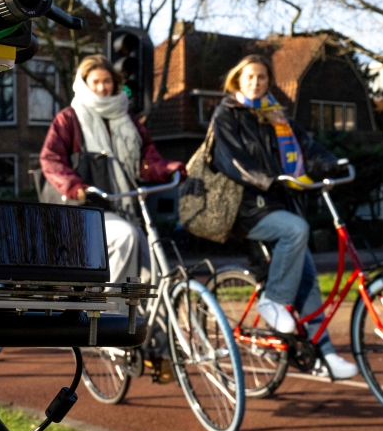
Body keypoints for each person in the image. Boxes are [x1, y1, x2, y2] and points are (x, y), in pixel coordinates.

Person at [210, 54, 359, 379]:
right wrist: (265, 179)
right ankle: (273, 301)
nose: (256, 82)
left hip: (281, 203)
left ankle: (326, 356)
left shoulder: (275, 116)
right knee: (296, 229)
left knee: (309, 285)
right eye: (250, 76)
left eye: (262, 77)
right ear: (238, 79)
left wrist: (332, 163)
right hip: (247, 207)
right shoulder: (227, 114)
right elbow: (230, 159)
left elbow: (306, 147)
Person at [40, 55, 185, 286]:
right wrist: (75, 186)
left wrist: (166, 168)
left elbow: (146, 158)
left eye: (107, 81)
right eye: (95, 81)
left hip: (123, 208)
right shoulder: (69, 118)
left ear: (116, 83)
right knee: (125, 237)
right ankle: (109, 312)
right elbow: (51, 159)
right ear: (84, 84)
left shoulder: (128, 118)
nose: (102, 87)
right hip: (85, 210)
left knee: (152, 271)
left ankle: (146, 320)